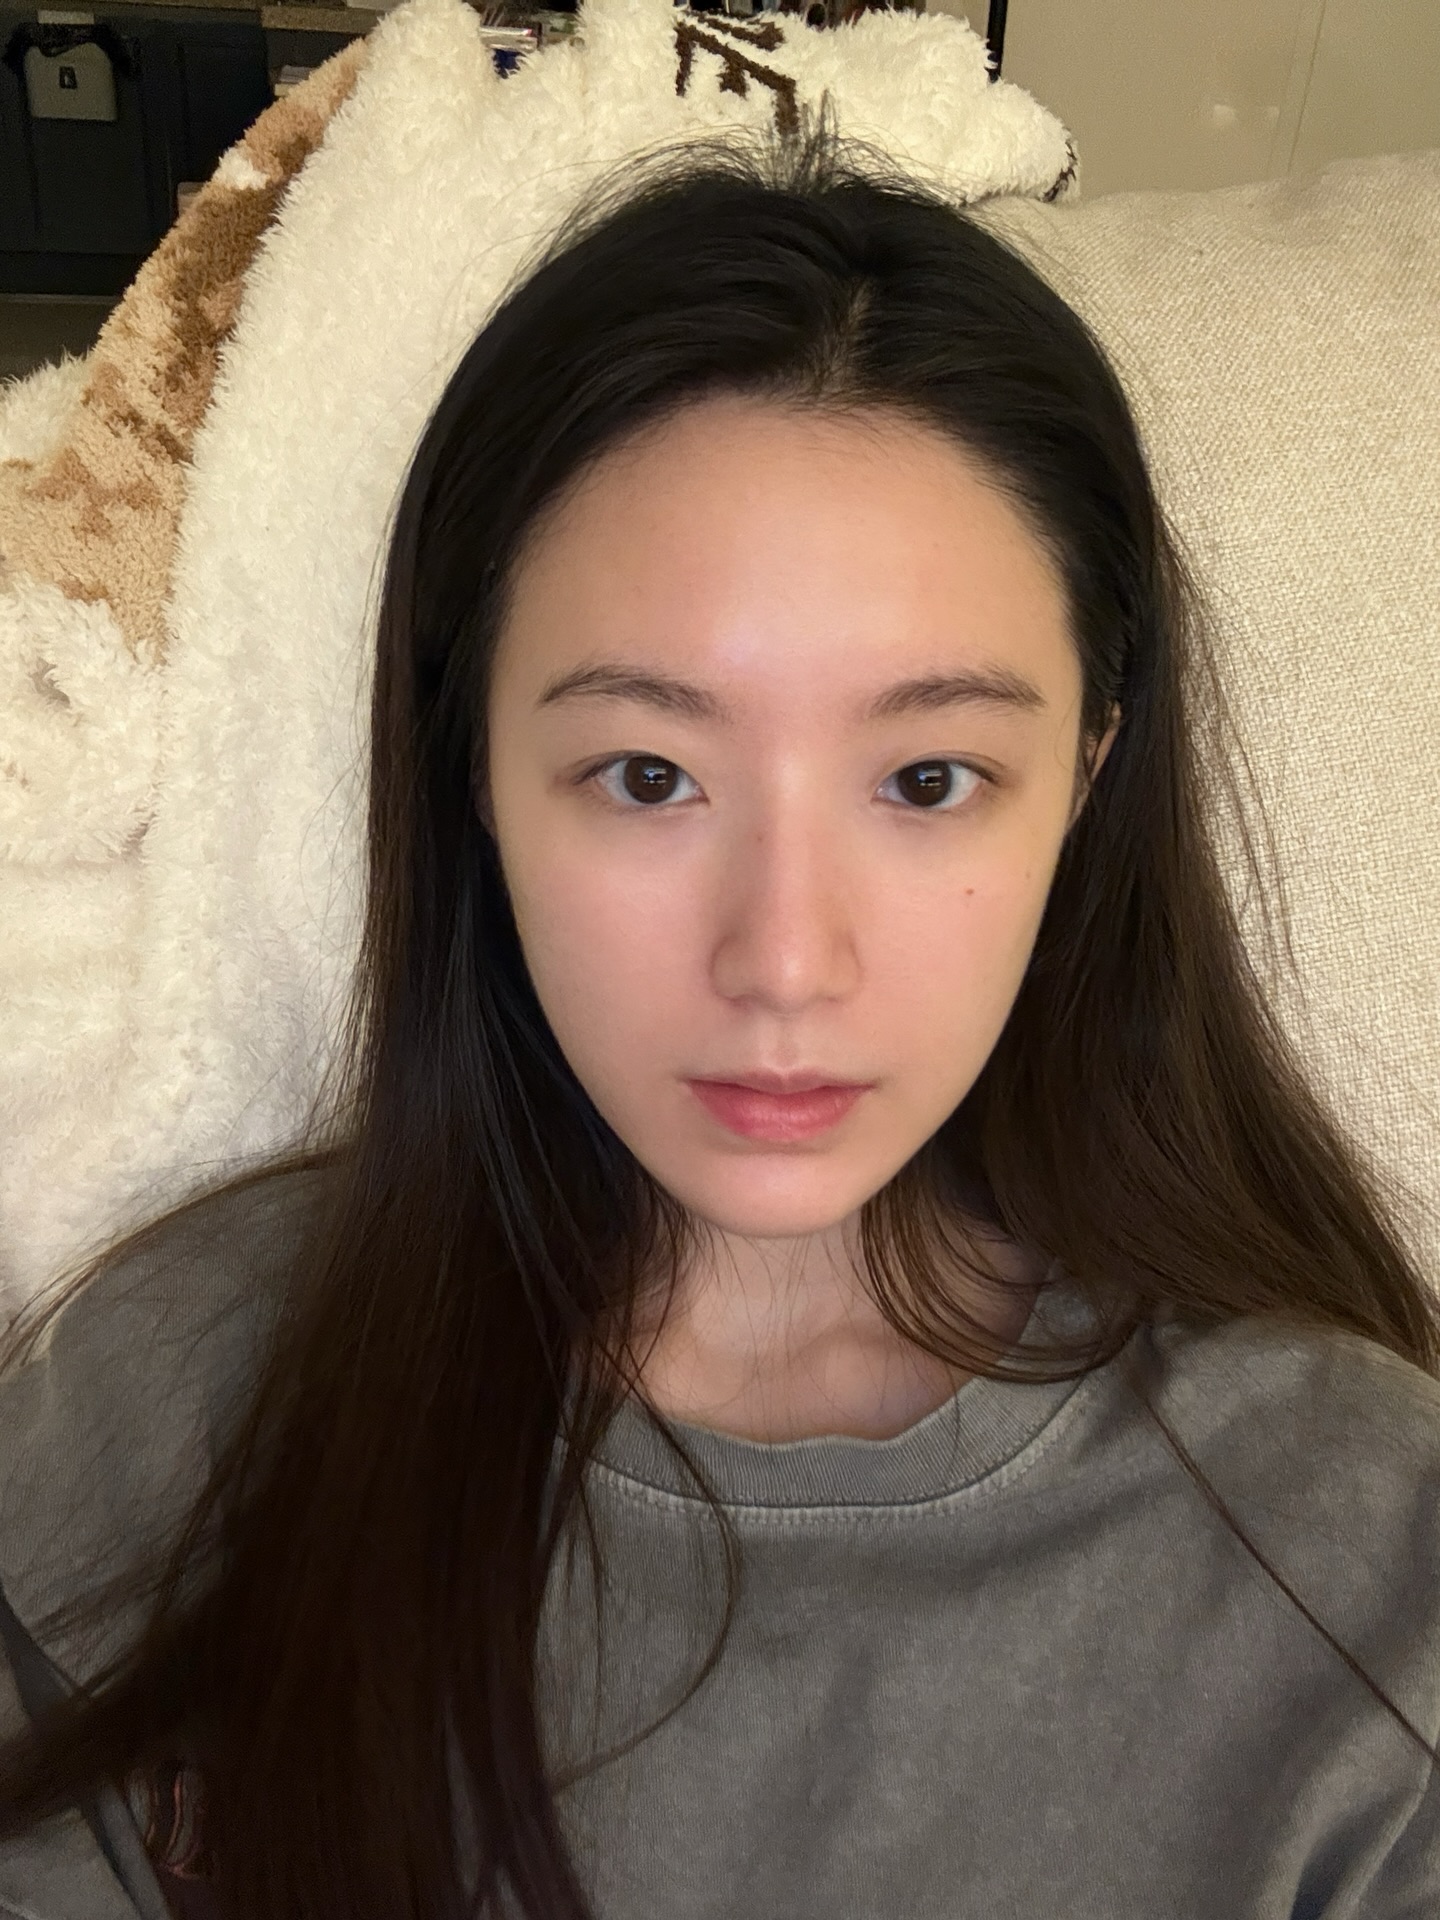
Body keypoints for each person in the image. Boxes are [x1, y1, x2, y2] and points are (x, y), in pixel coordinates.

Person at [0, 114, 1436, 1920]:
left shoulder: (1372, 1562)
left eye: (927, 778)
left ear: (1087, 771)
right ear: (473, 769)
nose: (785, 960)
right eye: (648, 774)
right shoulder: (165, 1407)